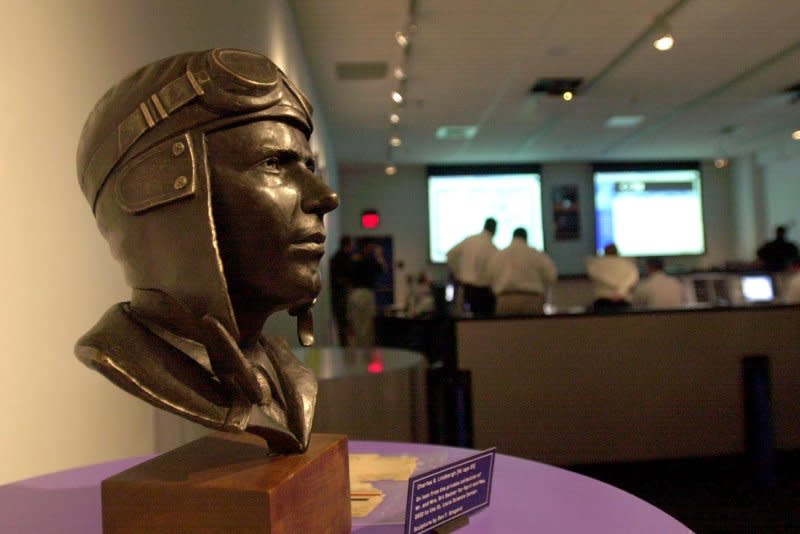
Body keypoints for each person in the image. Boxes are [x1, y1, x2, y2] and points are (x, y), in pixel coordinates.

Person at [74, 49, 339, 454]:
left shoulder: (289, 379)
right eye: (273, 163)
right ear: (167, 196)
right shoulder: (124, 358)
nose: (325, 197)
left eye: (309, 167)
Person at [486, 228, 557, 315]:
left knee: (506, 328)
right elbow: (552, 275)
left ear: (513, 237)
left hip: (505, 299)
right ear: (526, 238)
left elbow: (489, 276)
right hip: (532, 299)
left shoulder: (499, 255)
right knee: (533, 328)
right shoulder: (536, 254)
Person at [446, 217, 498, 315]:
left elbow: (450, 254)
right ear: (495, 230)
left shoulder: (469, 240)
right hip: (483, 292)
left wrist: (457, 273)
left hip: (465, 288)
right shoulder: (492, 248)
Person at [347, 242, 386, 347]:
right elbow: (383, 269)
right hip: (366, 294)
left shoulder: (354, 260)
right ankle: (365, 351)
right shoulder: (371, 261)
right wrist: (379, 255)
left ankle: (356, 349)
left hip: (354, 294)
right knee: (366, 325)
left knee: (356, 324)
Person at [586, 244, 639, 312]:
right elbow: (633, 278)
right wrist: (620, 291)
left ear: (604, 252)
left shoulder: (596, 264)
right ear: (617, 252)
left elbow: (595, 275)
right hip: (623, 299)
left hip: (602, 300)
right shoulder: (628, 264)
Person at [329, 236, 354, 346]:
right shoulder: (345, 259)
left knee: (341, 323)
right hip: (341, 294)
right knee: (345, 321)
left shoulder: (335, 258)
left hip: (336, 295)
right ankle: (346, 345)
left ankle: (344, 344)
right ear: (348, 245)